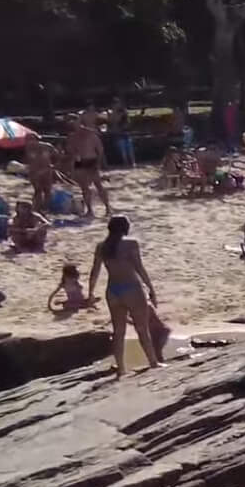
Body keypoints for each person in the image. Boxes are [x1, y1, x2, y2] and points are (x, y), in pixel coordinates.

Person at [87, 214, 166, 376]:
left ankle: (121, 369)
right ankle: (153, 363)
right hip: (132, 288)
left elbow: (94, 271)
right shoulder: (131, 244)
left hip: (113, 290)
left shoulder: (101, 246)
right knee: (142, 328)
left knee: (119, 331)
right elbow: (139, 267)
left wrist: (90, 293)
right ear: (125, 228)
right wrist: (151, 288)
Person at [66, 112, 109, 216]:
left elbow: (100, 149)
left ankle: (108, 208)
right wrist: (71, 166)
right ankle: (90, 210)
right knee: (84, 187)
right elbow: (71, 152)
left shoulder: (90, 133)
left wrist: (98, 163)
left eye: (74, 120)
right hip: (80, 161)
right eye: (71, 122)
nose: (73, 123)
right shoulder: (72, 137)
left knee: (98, 185)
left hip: (91, 160)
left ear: (79, 121)